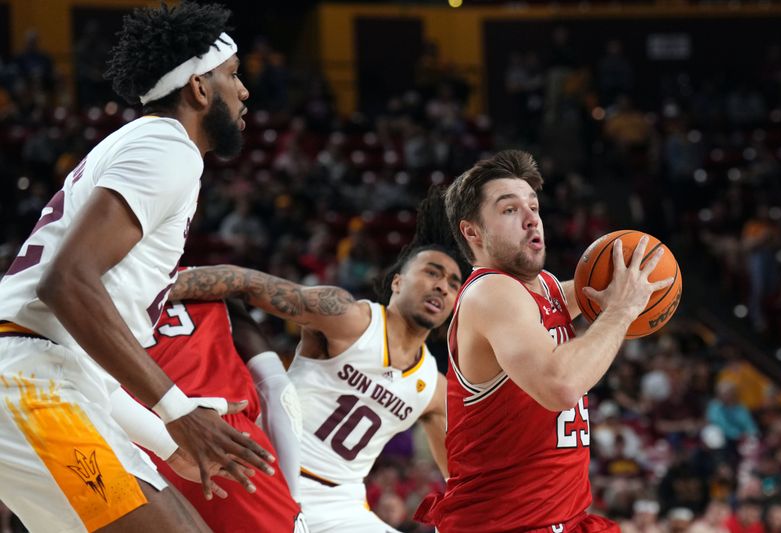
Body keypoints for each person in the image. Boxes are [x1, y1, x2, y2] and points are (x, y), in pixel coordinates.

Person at [0, 3, 272, 531]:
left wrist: (165, 440)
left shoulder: (145, 146)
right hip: (29, 382)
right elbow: (66, 283)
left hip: (46, 378)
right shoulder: (167, 147)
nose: (244, 92)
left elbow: (75, 356)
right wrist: (178, 411)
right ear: (198, 88)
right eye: (233, 75)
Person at [168, 189, 466, 532]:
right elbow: (245, 282)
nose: (442, 286)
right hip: (274, 476)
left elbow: (460, 485)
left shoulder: (434, 387)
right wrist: (156, 288)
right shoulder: (349, 318)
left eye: (453, 284)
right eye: (432, 272)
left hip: (344, 507)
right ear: (397, 282)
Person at [415, 150, 673, 532]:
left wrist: (630, 282)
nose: (531, 218)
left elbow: (585, 294)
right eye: (509, 210)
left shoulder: (545, 288)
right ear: (472, 232)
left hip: (559, 519)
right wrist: (620, 310)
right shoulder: (492, 293)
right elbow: (561, 386)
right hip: (503, 526)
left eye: (533, 206)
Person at [144, 296, 307, 532]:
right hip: (222, 435)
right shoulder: (213, 284)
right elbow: (277, 389)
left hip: (133, 437)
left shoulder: (88, 285)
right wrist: (293, 494)